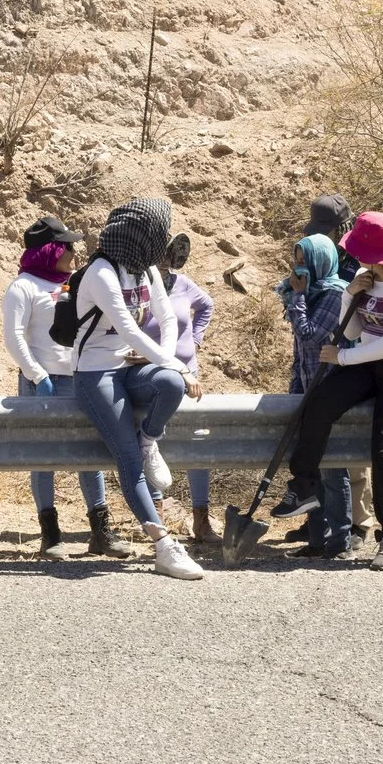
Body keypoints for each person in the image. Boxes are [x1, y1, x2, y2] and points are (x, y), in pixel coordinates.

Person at [282, 211, 383, 571]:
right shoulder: (363, 276)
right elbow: (353, 330)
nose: (351, 256)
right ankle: (303, 485)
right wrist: (349, 296)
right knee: (319, 403)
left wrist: (342, 358)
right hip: (368, 359)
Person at [67, 197, 206, 581]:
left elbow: (166, 318)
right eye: (157, 233)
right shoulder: (101, 272)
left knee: (170, 384)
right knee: (126, 459)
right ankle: (163, 545)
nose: (163, 240)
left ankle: (151, 439)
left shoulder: (145, 270)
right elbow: (128, 327)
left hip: (132, 365)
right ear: (139, 235)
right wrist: (177, 362)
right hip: (96, 373)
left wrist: (169, 361)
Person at [1, 215, 116, 556]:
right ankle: (51, 536)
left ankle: (101, 532)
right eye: (67, 246)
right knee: (44, 457)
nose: (73, 252)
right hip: (44, 382)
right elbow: (14, 338)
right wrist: (38, 376)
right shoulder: (23, 287)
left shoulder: (72, 283)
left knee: (89, 453)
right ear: (50, 250)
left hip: (80, 377)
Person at [276, 232, 359, 559]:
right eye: (296, 260)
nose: (299, 267)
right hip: (307, 386)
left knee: (331, 466)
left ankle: (341, 542)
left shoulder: (335, 295)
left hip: (329, 389)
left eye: (304, 260)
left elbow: (309, 337)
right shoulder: (311, 293)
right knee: (311, 467)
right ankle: (317, 540)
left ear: (320, 262)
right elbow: (300, 353)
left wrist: (297, 296)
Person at [161, 233, 216, 544]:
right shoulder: (140, 284)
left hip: (188, 376)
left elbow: (206, 306)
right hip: (153, 374)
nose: (167, 259)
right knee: (152, 444)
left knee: (198, 443)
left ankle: (201, 520)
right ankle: (155, 519)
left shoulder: (183, 284)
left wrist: (196, 339)